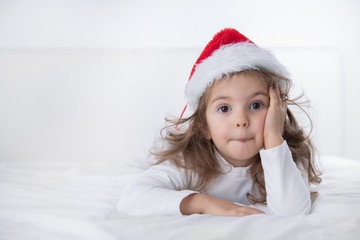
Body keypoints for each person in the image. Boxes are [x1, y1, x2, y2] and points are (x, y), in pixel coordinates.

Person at [117, 28, 321, 217]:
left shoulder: (285, 155)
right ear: (204, 126)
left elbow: (292, 214)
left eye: (256, 105)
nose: (241, 121)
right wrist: (204, 203)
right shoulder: (190, 163)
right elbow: (131, 197)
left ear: (277, 111)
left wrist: (273, 137)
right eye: (224, 108)